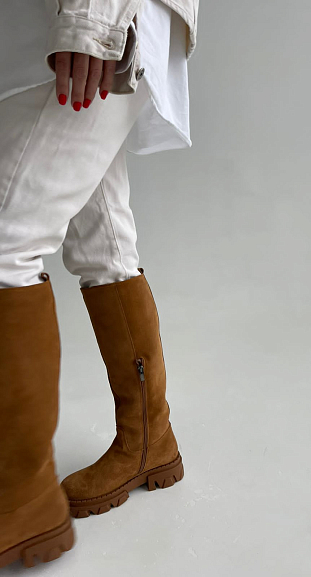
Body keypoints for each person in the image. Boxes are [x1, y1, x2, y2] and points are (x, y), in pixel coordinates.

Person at [0, 0, 199, 569]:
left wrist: (92, 18)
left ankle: (21, 499)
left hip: (103, 17)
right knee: (104, 243)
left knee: (7, 240)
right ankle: (148, 442)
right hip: (68, 21)